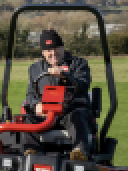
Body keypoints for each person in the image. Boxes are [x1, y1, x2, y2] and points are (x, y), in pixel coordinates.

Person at [23, 29, 94, 161]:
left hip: (70, 111)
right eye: (49, 50)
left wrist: (65, 76)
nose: (53, 53)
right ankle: (33, 153)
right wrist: (35, 105)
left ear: (62, 48)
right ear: (43, 53)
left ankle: (79, 152)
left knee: (78, 115)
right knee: (26, 119)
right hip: (46, 114)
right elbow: (30, 95)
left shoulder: (78, 64)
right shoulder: (35, 68)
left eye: (56, 48)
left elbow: (83, 85)